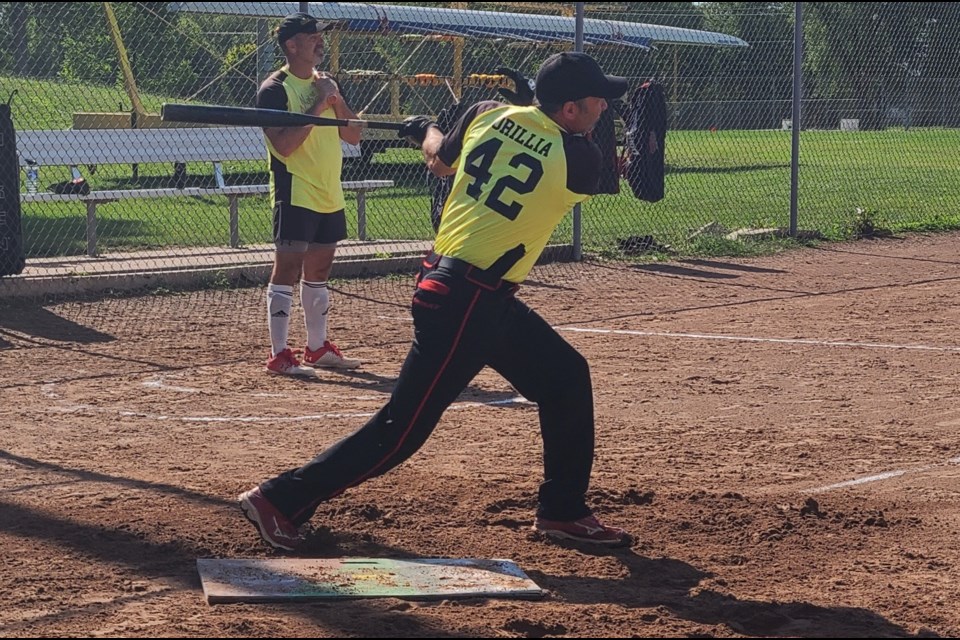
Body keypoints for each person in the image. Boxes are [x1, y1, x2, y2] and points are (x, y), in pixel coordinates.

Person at [239, 52, 632, 549]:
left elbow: (438, 159)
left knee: (566, 378)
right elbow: (571, 153)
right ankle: (280, 498)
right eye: (597, 100)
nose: (604, 107)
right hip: (469, 300)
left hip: (466, 290)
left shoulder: (486, 112)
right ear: (570, 110)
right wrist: (526, 119)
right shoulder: (581, 159)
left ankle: (563, 511)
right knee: (402, 430)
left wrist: (423, 127)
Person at [257, 12, 361, 376]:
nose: (321, 42)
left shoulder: (324, 83)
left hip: (329, 190)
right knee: (287, 268)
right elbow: (284, 146)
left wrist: (334, 97)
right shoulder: (274, 89)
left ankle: (317, 348)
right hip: (295, 189)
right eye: (313, 36)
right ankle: (279, 354)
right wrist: (319, 105)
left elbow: (353, 135)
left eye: (321, 36)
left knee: (320, 270)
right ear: (292, 45)